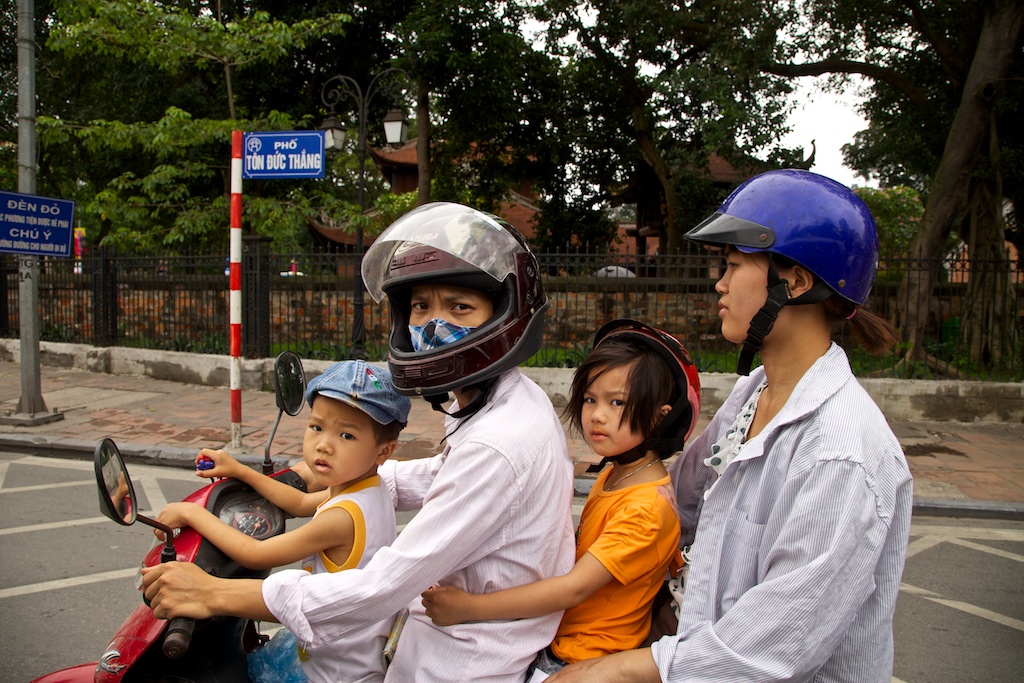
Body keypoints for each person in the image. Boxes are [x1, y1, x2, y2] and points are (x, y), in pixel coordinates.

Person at [141, 202, 576, 682]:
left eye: (459, 307)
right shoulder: (506, 401)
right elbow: (442, 474)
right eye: (420, 306)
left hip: (461, 662)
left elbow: (380, 587)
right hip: (455, 634)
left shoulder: (498, 442)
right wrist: (324, 471)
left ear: (505, 313)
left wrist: (211, 594)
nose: (433, 325)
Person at [548, 169, 913, 682]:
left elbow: (771, 646)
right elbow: (682, 504)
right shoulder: (754, 391)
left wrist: (617, 669)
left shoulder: (840, 455)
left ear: (797, 282)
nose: (719, 282)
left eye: (735, 265)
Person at [421, 319, 701, 677]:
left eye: (618, 402)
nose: (597, 415)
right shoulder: (617, 472)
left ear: (662, 418)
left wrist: (468, 607)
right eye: (590, 399)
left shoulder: (645, 511)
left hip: (581, 660)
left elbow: (571, 589)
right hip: (557, 640)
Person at [155, 359, 411, 683]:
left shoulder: (342, 519)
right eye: (317, 427)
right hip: (346, 650)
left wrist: (193, 513)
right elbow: (301, 502)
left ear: (383, 452)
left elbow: (255, 554)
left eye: (346, 435)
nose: (324, 444)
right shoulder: (367, 488)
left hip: (337, 673)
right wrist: (239, 469)